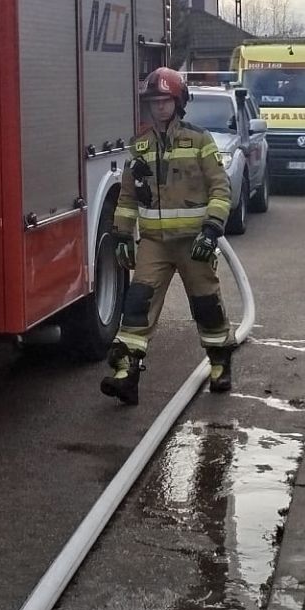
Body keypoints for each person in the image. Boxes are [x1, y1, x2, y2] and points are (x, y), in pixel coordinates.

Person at [103, 68, 237, 404]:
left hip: (194, 243)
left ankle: (220, 363)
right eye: (154, 102)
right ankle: (127, 374)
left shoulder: (200, 141)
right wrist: (121, 235)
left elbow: (221, 189)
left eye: (165, 101)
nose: (160, 108)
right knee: (137, 304)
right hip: (154, 243)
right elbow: (128, 197)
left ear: (178, 103)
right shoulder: (140, 146)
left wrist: (211, 229)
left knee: (206, 304)